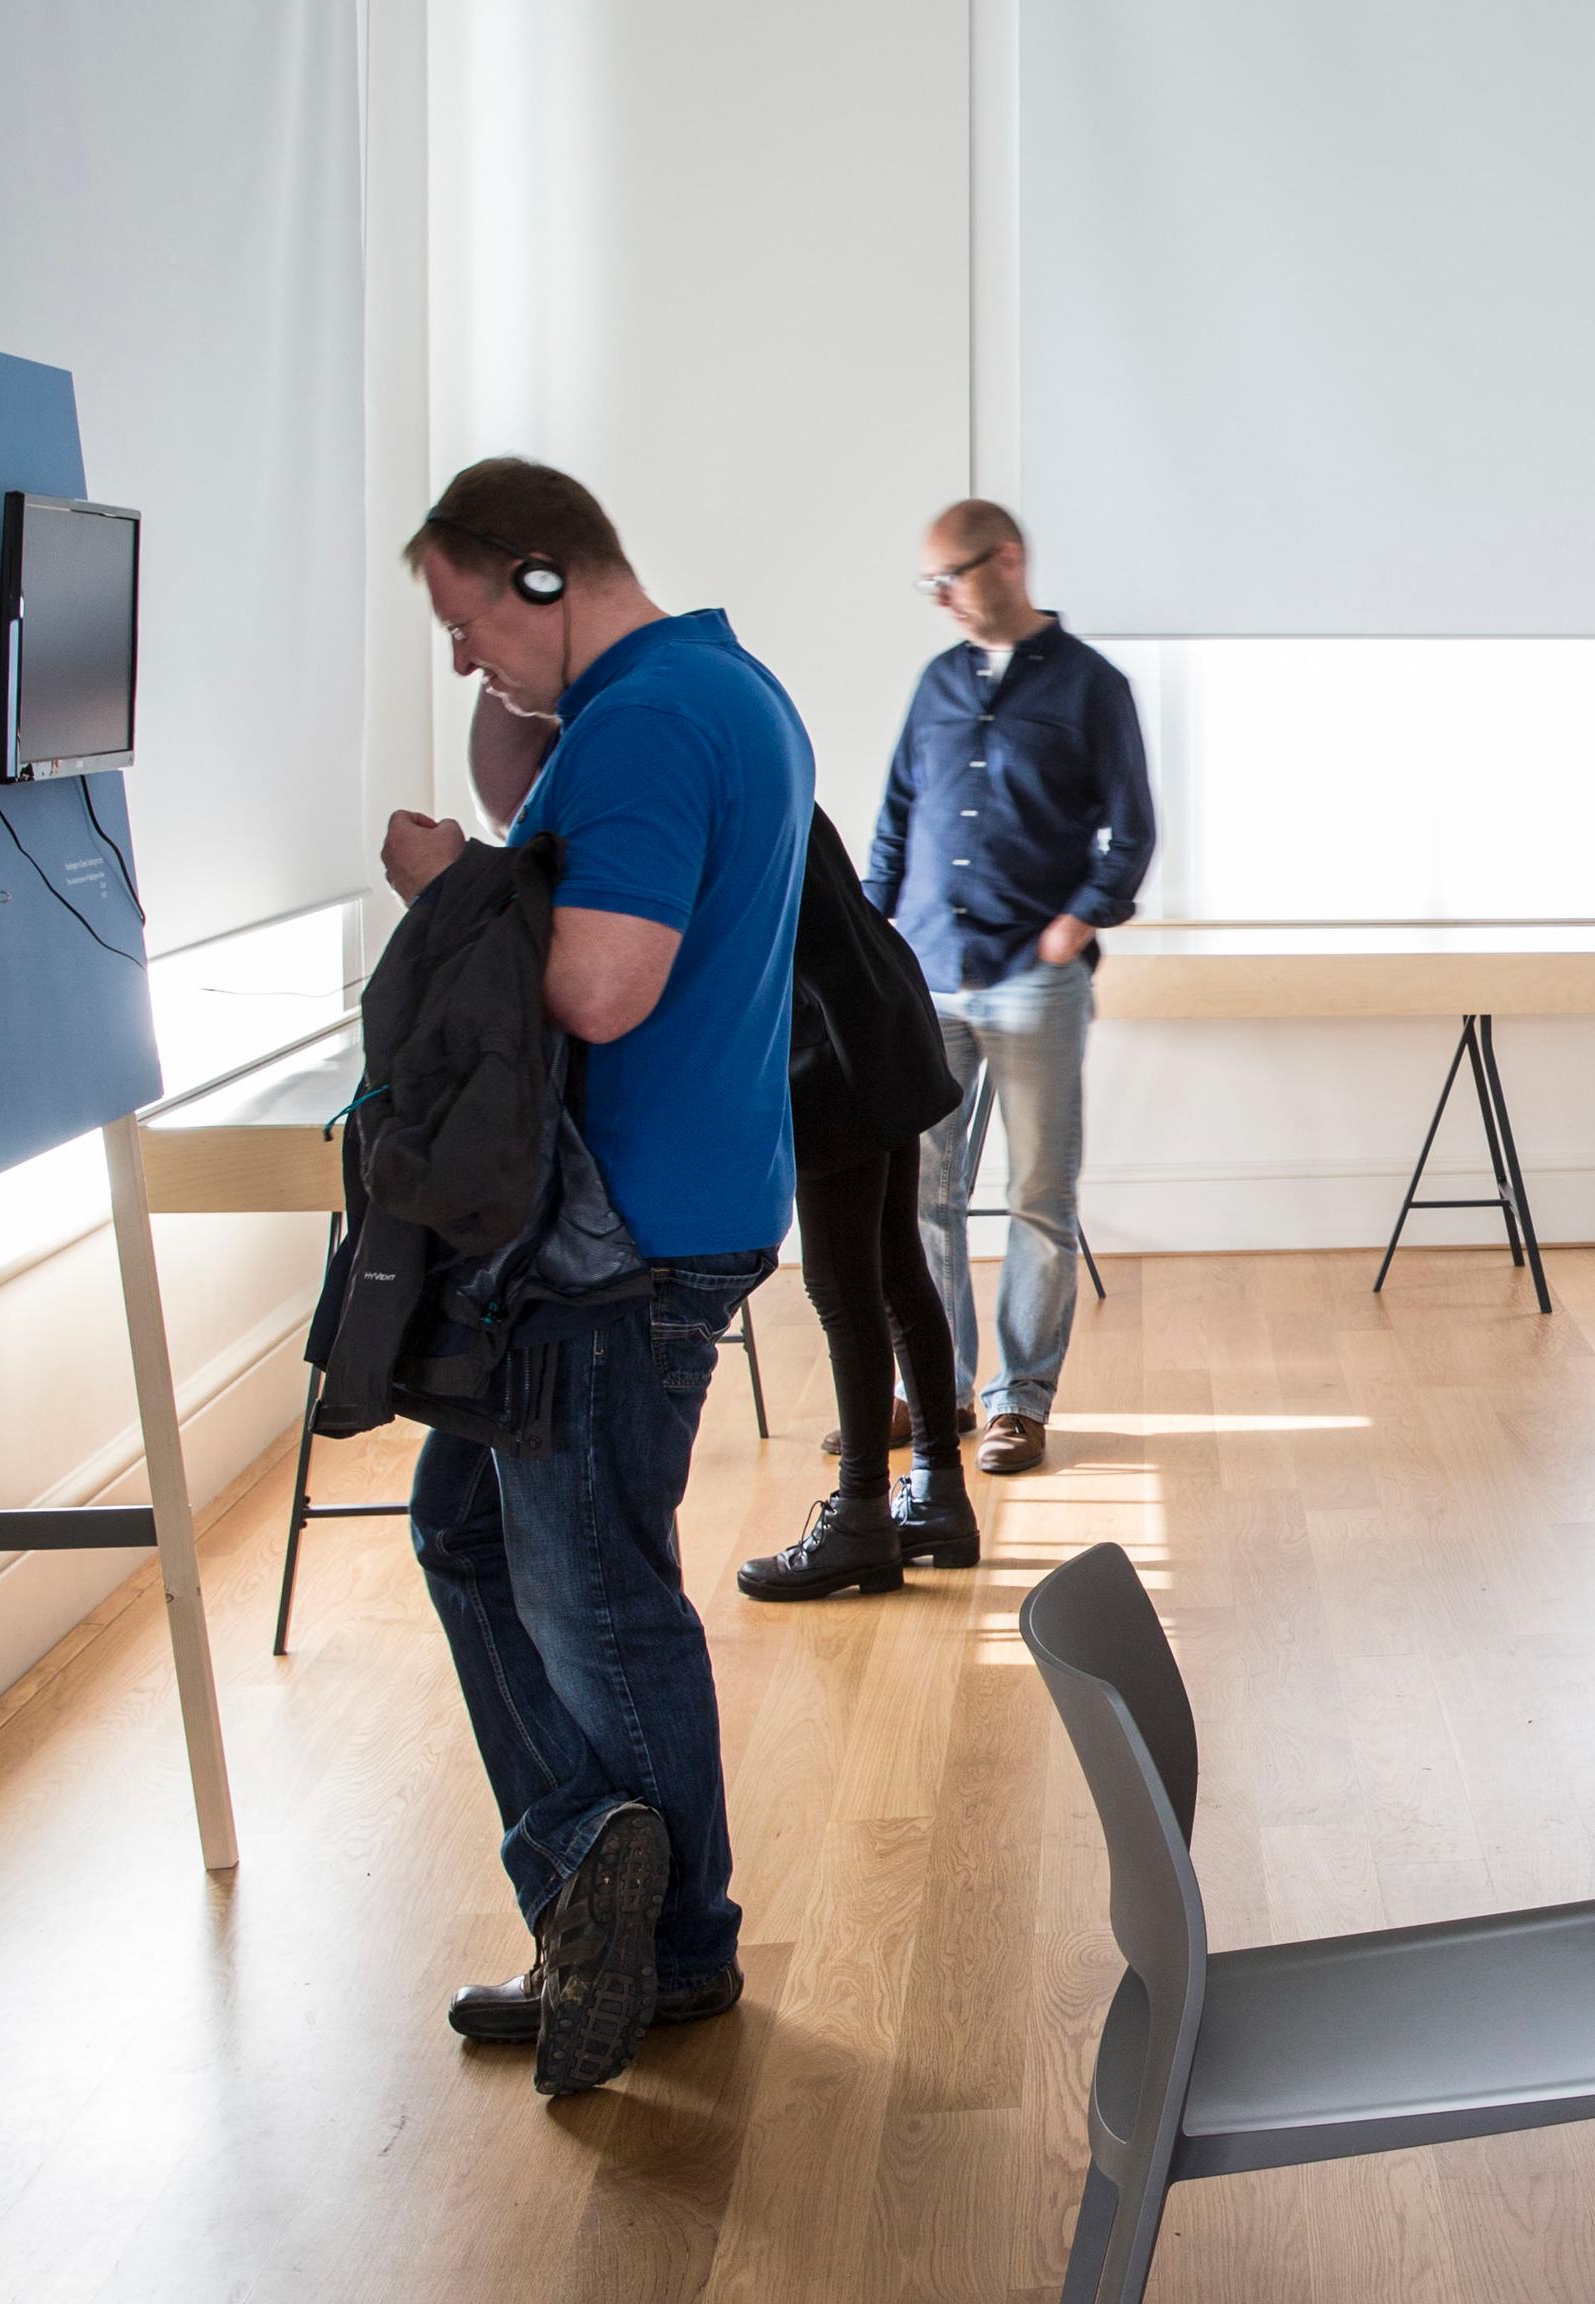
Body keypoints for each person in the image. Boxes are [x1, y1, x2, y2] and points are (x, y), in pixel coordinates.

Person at [382, 458, 809, 2094]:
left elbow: (601, 981)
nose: (465, 656)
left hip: (612, 1240)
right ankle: (603, 1881)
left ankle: (651, 1926)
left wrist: (448, 888)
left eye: (469, 618)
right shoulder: (709, 685)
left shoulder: (642, 722)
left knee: (593, 1582)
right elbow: (584, 860)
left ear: (541, 577)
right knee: (469, 1522)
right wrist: (518, 777)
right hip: (672, 1204)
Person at [866, 499, 1155, 1479]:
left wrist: (1075, 925)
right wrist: (873, 939)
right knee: (919, 1195)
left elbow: (1131, 830)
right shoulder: (936, 685)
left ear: (1010, 562)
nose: (940, 595)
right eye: (929, 581)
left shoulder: (1091, 688)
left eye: (951, 573)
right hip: (931, 979)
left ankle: (1017, 1407)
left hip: (1036, 982)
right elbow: (897, 819)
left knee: (1038, 1195)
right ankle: (934, 1388)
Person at [736, 805, 974, 1602]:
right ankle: (937, 1495)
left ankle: (862, 1521)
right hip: (881, 1008)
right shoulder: (765, 759)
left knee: (844, 1288)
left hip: (831, 1034)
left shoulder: (702, 779)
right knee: (897, 1267)